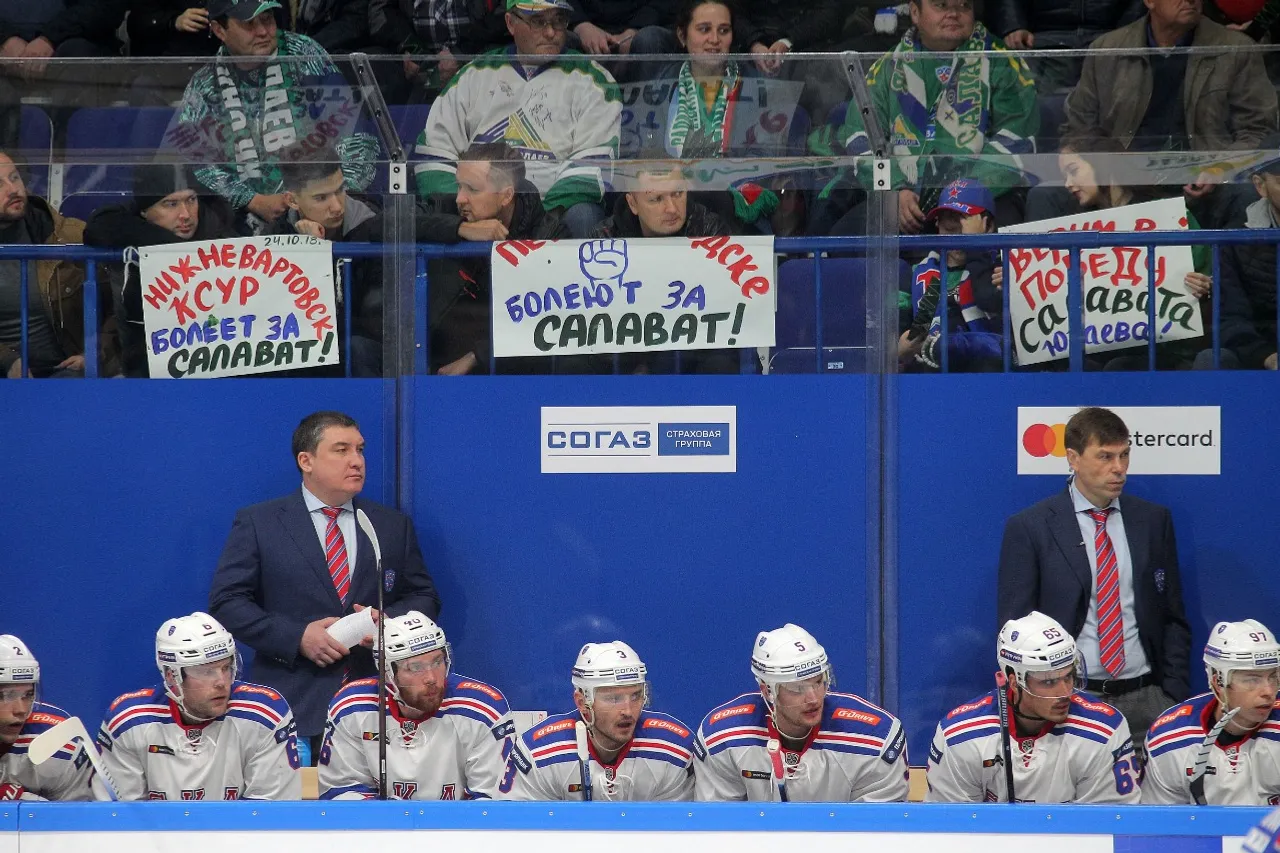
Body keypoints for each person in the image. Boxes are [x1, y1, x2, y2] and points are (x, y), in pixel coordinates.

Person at [208, 410, 441, 756]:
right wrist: (297, 637)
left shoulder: (390, 526)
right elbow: (227, 602)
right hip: (292, 708)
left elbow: (423, 596)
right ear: (306, 461)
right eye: (341, 450)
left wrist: (387, 625)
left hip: (378, 710)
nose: (356, 461)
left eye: (360, 450)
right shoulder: (260, 523)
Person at [997, 406, 1191, 749]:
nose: (1119, 468)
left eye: (1124, 455)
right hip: (1071, 704)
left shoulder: (1152, 521)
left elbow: (1172, 615)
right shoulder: (1031, 527)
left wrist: (1171, 695)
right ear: (1073, 458)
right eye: (1105, 456)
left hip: (1148, 701)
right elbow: (1015, 629)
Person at [814, 0, 1039, 235]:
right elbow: (860, 136)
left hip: (978, 199)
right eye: (941, 5)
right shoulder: (887, 67)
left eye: (963, 6)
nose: (954, 13)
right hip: (903, 199)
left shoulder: (1003, 61)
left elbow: (1018, 140)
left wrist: (960, 194)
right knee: (841, 239)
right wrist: (894, 189)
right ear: (914, 12)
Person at [1057, 0, 1276, 229]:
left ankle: (1225, 256)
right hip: (1123, 186)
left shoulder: (1236, 48)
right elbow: (1078, 126)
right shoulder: (1108, 49)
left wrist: (1221, 168)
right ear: (1149, 1)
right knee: (1047, 196)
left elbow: (1259, 129)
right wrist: (1101, 170)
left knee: (1246, 195)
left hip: (1207, 186)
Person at [413, 0, 622, 238]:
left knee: (583, 215)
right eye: (538, 21)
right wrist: (473, 205)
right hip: (477, 208)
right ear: (510, 23)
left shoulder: (593, 80)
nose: (551, 32)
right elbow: (435, 155)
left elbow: (591, 167)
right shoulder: (474, 74)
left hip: (551, 215)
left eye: (558, 20)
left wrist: (530, 217)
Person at [174, 0, 379, 234]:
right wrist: (251, 200)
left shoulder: (303, 54)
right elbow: (195, 160)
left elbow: (355, 135)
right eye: (249, 24)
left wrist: (329, 201)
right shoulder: (205, 84)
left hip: (324, 212)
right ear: (219, 30)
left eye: (267, 19)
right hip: (241, 223)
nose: (263, 31)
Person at [925, 612, 1140, 804]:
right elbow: (951, 828)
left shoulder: (1105, 731)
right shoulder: (959, 736)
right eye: (1049, 681)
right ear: (1013, 682)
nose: (1065, 692)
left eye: (1069, 677)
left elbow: (1110, 827)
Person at [93, 613, 301, 801]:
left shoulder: (265, 715)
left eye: (225, 667)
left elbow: (271, 816)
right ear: (171, 676)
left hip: (240, 833)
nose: (221, 682)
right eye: (206, 671)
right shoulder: (128, 721)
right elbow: (117, 817)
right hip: (157, 833)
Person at [694, 624, 909, 802]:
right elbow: (717, 829)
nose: (813, 698)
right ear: (767, 690)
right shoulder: (721, 739)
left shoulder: (876, 740)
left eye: (818, 682)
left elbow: (876, 832)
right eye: (797, 689)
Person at [318, 612, 514, 799]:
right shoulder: (352, 707)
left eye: (437, 662)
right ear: (387, 672)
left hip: (458, 823)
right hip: (383, 824)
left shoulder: (482, 709)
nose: (431, 678)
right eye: (415, 667)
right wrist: (394, 817)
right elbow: (340, 791)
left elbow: (493, 803)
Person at [84, 162, 237, 378]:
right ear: (144, 212)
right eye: (171, 204)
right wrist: (174, 247)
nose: (185, 214)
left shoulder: (223, 236)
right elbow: (98, 226)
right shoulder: (127, 228)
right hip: (152, 375)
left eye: (191, 200)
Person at [429, 142, 570, 375]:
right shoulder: (448, 210)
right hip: (436, 362)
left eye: (472, 189)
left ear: (506, 196)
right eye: (459, 186)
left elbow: (549, 324)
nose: (459, 199)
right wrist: (459, 228)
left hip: (511, 373)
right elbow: (381, 225)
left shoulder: (549, 236)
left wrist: (478, 356)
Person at [592, 160, 741, 374]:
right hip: (628, 354)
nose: (671, 208)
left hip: (693, 350)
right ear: (632, 203)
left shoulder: (710, 230)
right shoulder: (604, 239)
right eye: (656, 199)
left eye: (678, 194)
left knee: (716, 363)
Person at [501, 641, 696, 800]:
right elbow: (512, 828)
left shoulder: (674, 750)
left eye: (636, 696)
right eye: (613, 699)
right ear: (582, 702)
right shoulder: (538, 754)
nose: (628, 711)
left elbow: (683, 830)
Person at [0, 151, 114, 380]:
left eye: (14, 177)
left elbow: (118, 308)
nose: (13, 189)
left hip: (69, 372)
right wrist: (7, 360)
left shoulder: (71, 236)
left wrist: (93, 353)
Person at [1143, 619, 1280, 804]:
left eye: (1273, 677)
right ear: (1218, 682)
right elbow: (1160, 820)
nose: (1268, 692)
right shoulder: (1169, 739)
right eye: (1252, 679)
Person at [897, 178, 1004, 373]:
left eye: (964, 230)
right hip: (933, 376)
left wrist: (976, 247)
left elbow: (988, 300)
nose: (955, 239)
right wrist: (901, 349)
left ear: (988, 225)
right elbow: (912, 336)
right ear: (937, 225)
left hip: (987, 373)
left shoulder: (1002, 267)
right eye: (948, 229)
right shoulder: (926, 271)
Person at [1208, 143, 1280, 371]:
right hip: (1260, 355)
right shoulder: (1234, 239)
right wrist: (1267, 356)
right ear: (1260, 185)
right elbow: (1231, 317)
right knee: (1212, 360)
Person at [0, 636, 93, 801]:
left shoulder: (58, 742)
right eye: (6, 696)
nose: (21, 710)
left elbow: (84, 815)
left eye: (28, 695)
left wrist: (29, 806)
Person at [985, 0, 1144, 89]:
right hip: (1042, 36)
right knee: (1019, 85)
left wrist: (1127, 31)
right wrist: (1014, 25)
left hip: (1109, 36)